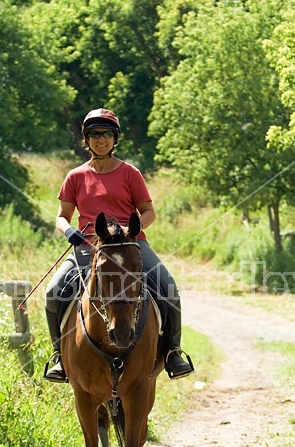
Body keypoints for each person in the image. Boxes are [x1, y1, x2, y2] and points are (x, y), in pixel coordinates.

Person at [44, 108, 194, 382]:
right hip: (88, 248)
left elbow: (148, 212)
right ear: (87, 139)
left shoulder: (130, 173)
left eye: (107, 134)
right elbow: (61, 216)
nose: (101, 140)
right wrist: (69, 231)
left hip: (129, 247)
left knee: (168, 287)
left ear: (115, 139)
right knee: (53, 292)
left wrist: (131, 230)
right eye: (95, 134)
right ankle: (59, 357)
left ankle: (173, 351)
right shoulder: (75, 176)